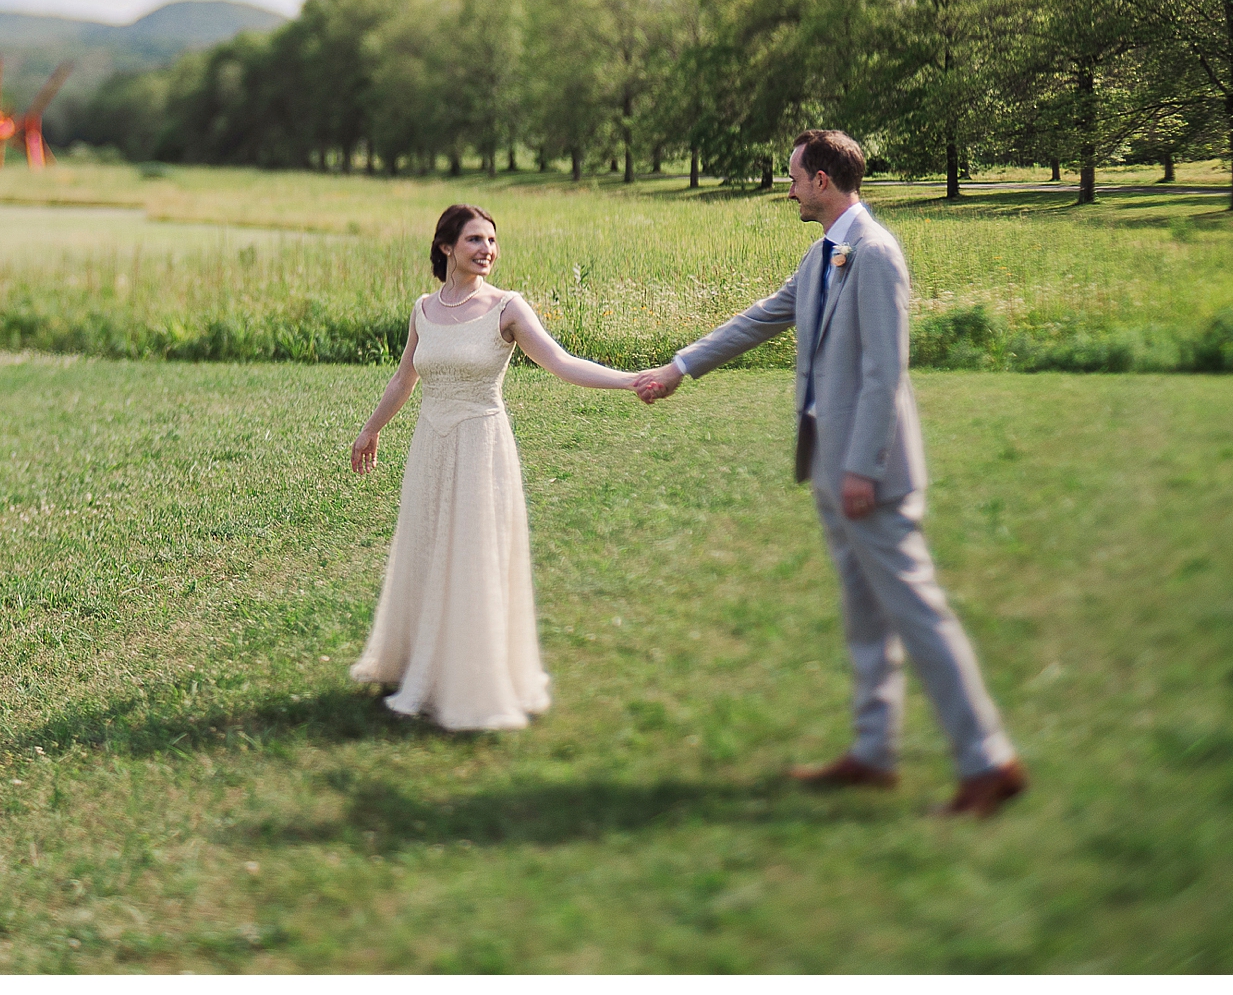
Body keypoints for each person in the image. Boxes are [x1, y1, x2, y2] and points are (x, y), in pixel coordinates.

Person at [632, 130, 1028, 817]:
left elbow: (885, 372)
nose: (787, 190)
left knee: (918, 615)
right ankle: (874, 753)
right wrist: (679, 367)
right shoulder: (824, 254)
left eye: (792, 178)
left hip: (865, 474)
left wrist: (862, 468)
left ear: (820, 180)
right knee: (866, 616)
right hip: (829, 465)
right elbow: (761, 318)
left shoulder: (874, 254)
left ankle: (988, 761)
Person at [349, 204, 637, 731]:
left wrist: (629, 379)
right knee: (428, 548)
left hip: (481, 446)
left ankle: (473, 680)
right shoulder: (423, 309)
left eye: (492, 241)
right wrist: (371, 429)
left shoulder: (506, 307)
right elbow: (402, 381)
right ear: (446, 247)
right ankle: (418, 663)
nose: (488, 250)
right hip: (430, 448)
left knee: (473, 555)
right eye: (476, 240)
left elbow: (561, 362)